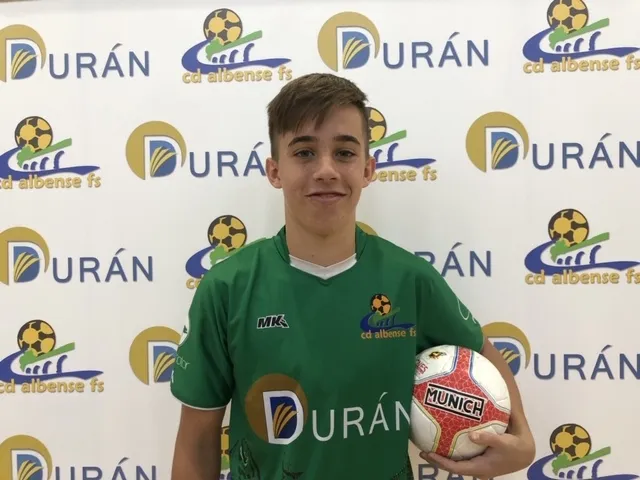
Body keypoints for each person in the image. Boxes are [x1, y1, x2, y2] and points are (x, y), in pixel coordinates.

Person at [169, 73, 535, 479]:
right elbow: (196, 440)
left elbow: (482, 352)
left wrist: (522, 438)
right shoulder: (227, 288)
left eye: (344, 152)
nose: (326, 170)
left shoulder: (410, 280)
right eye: (304, 152)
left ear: (367, 169)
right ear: (274, 171)